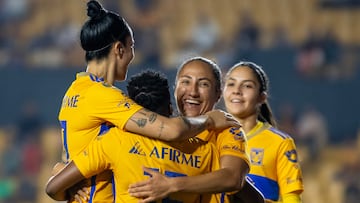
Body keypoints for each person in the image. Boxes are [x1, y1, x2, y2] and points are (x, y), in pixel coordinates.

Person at [56, 1, 240, 202]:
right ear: (119, 49)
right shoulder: (104, 97)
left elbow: (68, 162)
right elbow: (170, 129)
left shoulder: (76, 90)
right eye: (131, 47)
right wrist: (210, 119)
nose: (133, 55)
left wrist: (64, 180)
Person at [46, 69, 238, 203]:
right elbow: (241, 189)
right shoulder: (205, 150)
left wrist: (64, 176)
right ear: (170, 108)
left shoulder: (115, 141)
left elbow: (53, 188)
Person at [128, 57, 264, 203]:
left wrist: (172, 185)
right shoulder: (163, 128)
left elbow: (232, 178)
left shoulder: (226, 131)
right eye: (186, 82)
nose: (193, 92)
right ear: (175, 88)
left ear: (218, 94)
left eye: (204, 84)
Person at [222, 61, 304, 202]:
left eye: (247, 86)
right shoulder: (210, 137)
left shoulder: (280, 143)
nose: (237, 90)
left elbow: (292, 198)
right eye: (231, 84)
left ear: (262, 97)